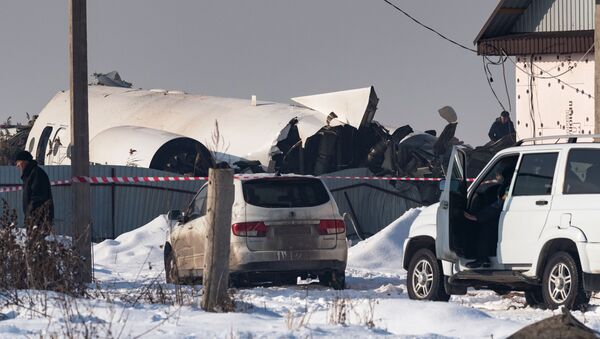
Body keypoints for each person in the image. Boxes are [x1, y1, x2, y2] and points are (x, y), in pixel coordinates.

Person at [15, 151, 54, 225]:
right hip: (34, 218)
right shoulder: (30, 175)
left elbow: (37, 197)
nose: (17, 166)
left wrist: (30, 214)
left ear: (25, 162)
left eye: (18, 162)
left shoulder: (36, 174)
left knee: (38, 237)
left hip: (39, 219)